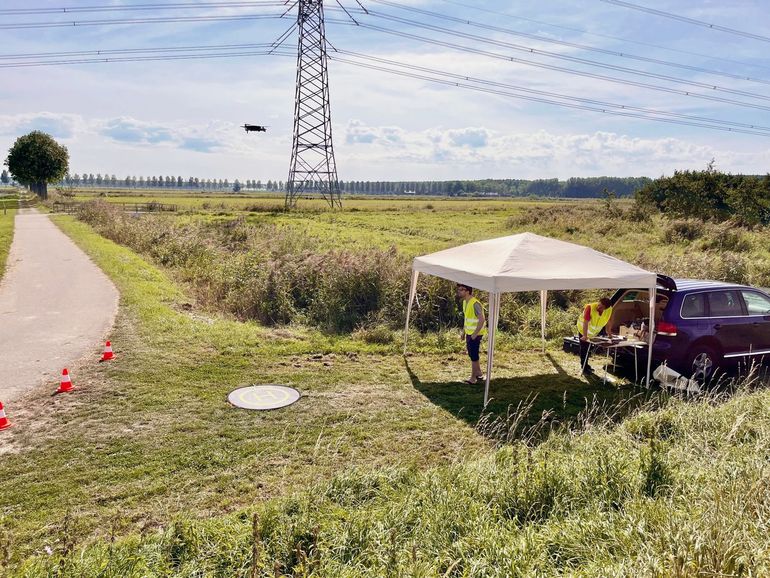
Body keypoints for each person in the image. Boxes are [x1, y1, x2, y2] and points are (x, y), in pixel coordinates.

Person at [457, 284, 486, 384]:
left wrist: (475, 334)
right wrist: (464, 332)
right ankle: (479, 373)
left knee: (473, 355)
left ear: (467, 291)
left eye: (461, 289)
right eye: (459, 289)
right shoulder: (465, 302)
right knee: (472, 354)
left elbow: (482, 320)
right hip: (470, 333)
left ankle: (473, 378)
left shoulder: (475, 303)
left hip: (475, 334)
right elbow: (467, 319)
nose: (459, 291)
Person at [577, 297, 614, 375]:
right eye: (599, 304)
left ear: (606, 308)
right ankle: (584, 368)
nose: (598, 307)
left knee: (589, 349)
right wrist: (584, 335)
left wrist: (609, 333)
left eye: (601, 307)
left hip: (594, 332)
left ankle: (586, 365)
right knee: (584, 348)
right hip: (583, 330)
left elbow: (608, 321)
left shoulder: (609, 309)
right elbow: (585, 322)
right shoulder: (589, 307)